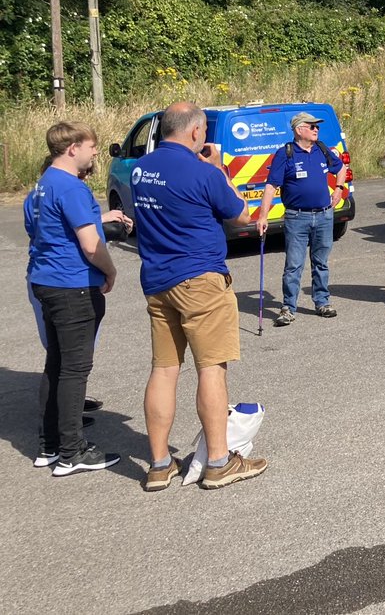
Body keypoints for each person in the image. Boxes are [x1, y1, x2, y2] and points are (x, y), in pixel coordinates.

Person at [133, 102, 266, 491]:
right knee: (211, 368)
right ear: (195, 131)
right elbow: (241, 213)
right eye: (204, 131)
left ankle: (160, 464)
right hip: (200, 279)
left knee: (164, 369)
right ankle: (220, 462)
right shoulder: (203, 172)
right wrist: (220, 170)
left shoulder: (141, 169)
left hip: (158, 280)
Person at [25, 123, 122, 475]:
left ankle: (50, 445)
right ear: (72, 148)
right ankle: (72, 451)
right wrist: (110, 271)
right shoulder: (71, 187)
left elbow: (37, 230)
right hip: (72, 285)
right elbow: (91, 244)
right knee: (74, 370)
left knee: (56, 363)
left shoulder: (41, 186)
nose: (95, 152)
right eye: (91, 146)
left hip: (45, 281)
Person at [258, 112, 348, 326]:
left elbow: (341, 168)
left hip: (324, 215)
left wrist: (338, 188)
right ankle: (288, 307)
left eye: (317, 126)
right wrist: (263, 216)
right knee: (294, 265)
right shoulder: (285, 154)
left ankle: (322, 302)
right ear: (299, 130)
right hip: (297, 217)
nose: (316, 129)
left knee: (321, 263)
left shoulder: (322, 149)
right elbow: (271, 186)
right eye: (312, 126)